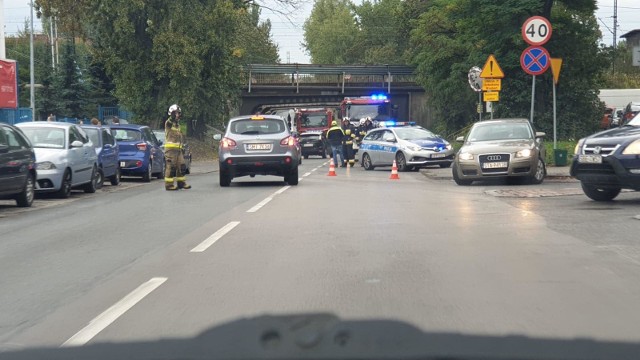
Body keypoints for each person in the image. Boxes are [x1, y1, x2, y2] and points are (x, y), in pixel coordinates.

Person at [164, 104, 190, 190]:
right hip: (170, 150)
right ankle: (169, 185)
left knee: (182, 166)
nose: (178, 115)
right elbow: (170, 120)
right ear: (172, 114)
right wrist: (173, 116)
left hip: (178, 150)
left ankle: (181, 183)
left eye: (179, 113)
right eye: (176, 113)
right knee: (171, 167)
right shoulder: (168, 123)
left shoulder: (177, 125)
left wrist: (182, 147)